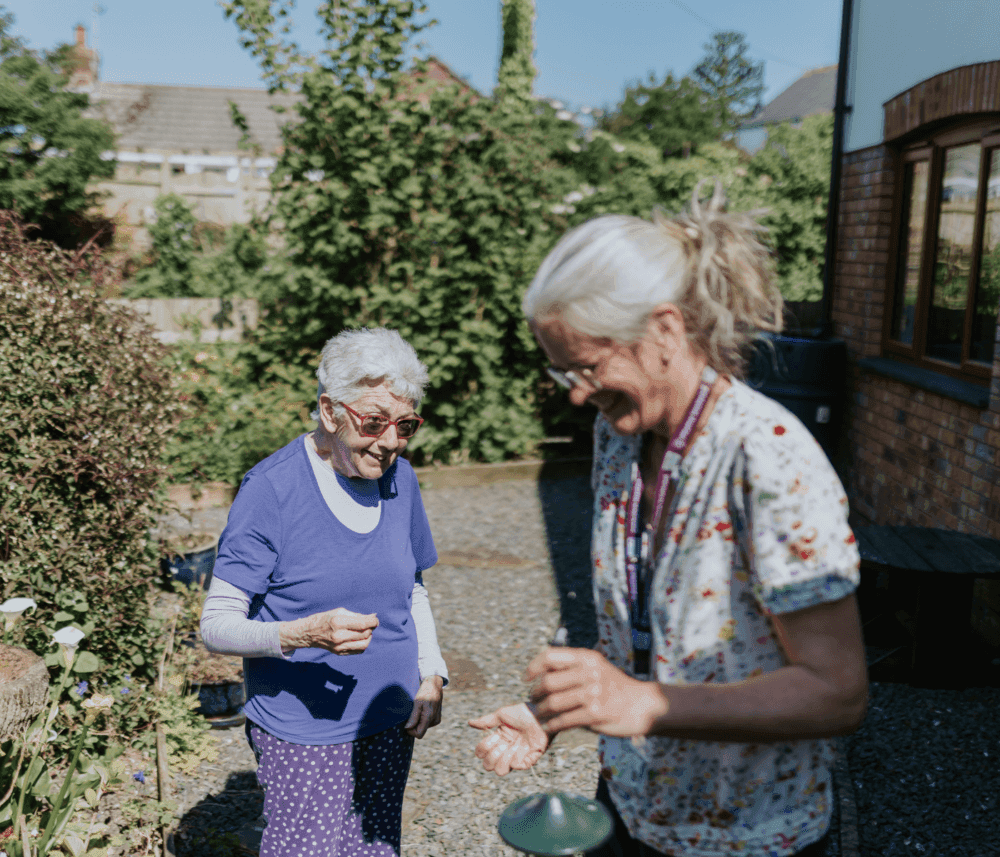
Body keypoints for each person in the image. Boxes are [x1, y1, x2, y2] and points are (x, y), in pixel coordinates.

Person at [469, 181, 868, 857]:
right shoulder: (619, 435)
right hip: (632, 808)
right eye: (562, 370)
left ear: (664, 328)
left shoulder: (768, 457)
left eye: (586, 366)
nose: (575, 393)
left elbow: (838, 693)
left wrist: (642, 705)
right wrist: (560, 709)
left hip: (751, 839)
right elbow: (652, 640)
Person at [201, 327, 447, 857]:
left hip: (390, 715)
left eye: (405, 426)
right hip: (304, 732)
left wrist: (432, 672)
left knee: (376, 848)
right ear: (329, 412)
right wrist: (301, 633)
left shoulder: (400, 477)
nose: (389, 442)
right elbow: (216, 626)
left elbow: (413, 587)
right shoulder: (272, 489)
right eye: (374, 421)